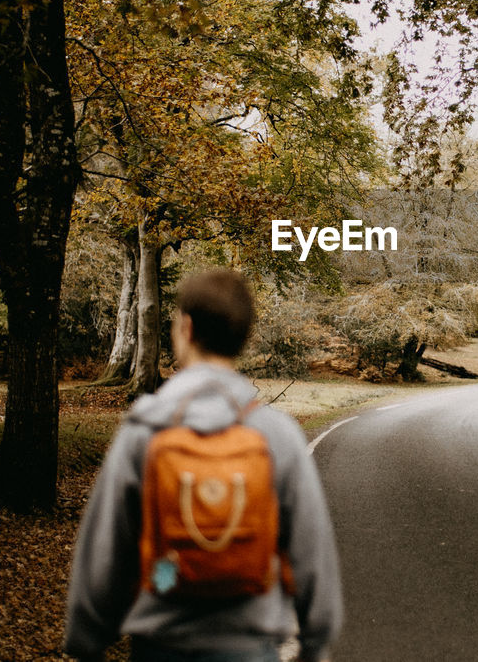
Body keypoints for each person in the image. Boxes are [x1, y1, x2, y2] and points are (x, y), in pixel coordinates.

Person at [64, 269, 343, 662]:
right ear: (242, 339)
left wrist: (87, 638)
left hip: (160, 646)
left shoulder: (146, 428)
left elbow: (108, 543)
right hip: (249, 648)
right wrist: (317, 643)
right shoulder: (276, 434)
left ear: (186, 327)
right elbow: (310, 548)